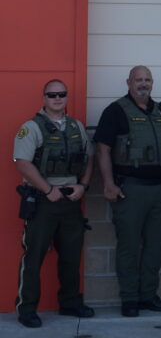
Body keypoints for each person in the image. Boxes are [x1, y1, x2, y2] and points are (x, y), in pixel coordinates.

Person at [94, 65, 161, 317]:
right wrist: (108, 183)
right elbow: (102, 149)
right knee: (129, 247)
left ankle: (148, 296)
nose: (143, 84)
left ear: (152, 83)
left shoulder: (160, 111)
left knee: (156, 246)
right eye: (138, 79)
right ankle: (130, 298)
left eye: (147, 80)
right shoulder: (115, 111)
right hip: (130, 189)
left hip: (160, 191)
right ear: (128, 82)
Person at [13, 79, 94, 328]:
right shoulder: (31, 128)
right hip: (43, 201)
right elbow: (22, 162)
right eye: (52, 95)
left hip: (70, 200)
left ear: (66, 97)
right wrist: (48, 190)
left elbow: (89, 157)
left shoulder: (76, 126)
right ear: (44, 98)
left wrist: (83, 186)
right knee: (34, 256)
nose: (57, 98)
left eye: (61, 94)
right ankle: (27, 309)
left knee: (71, 256)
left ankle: (70, 303)